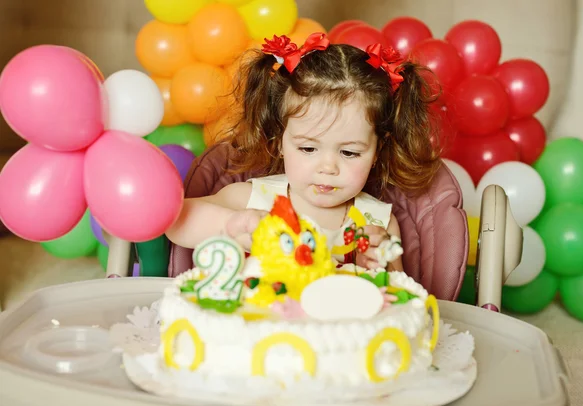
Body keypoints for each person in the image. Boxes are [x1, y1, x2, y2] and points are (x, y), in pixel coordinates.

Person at [166, 32, 442, 272]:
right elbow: (177, 222)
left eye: (349, 153)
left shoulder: (378, 221)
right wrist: (234, 224)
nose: (328, 167)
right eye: (308, 148)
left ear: (377, 151)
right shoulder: (253, 200)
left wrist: (375, 263)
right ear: (279, 142)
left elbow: (402, 299)